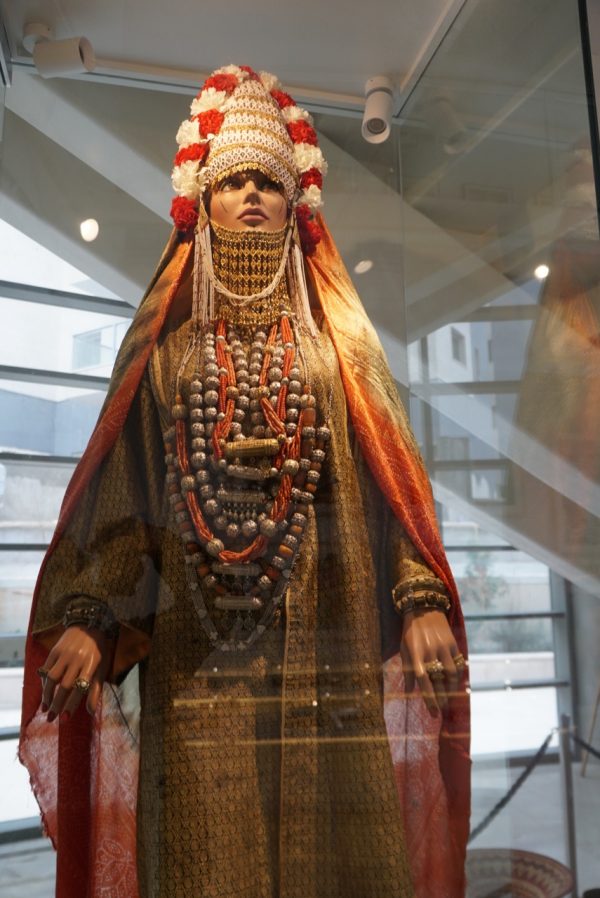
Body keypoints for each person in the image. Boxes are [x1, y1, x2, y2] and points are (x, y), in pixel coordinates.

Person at [19, 65, 470, 898]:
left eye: (270, 180)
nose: (255, 195)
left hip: (328, 665)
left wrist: (420, 596)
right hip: (197, 673)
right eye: (235, 183)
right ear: (204, 202)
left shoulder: (340, 352)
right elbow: (127, 510)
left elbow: (390, 486)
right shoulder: (166, 357)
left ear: (296, 204)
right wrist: (90, 617)